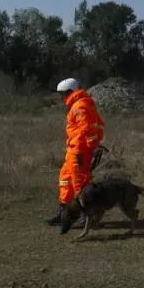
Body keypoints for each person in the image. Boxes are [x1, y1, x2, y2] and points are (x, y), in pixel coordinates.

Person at [45, 78, 105, 226]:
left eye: (63, 94)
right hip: (74, 149)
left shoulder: (80, 105)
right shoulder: (80, 104)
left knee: (80, 184)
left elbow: (88, 128)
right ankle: (64, 213)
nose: (62, 97)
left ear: (70, 92)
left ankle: (88, 218)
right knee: (65, 178)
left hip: (80, 150)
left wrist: (92, 144)